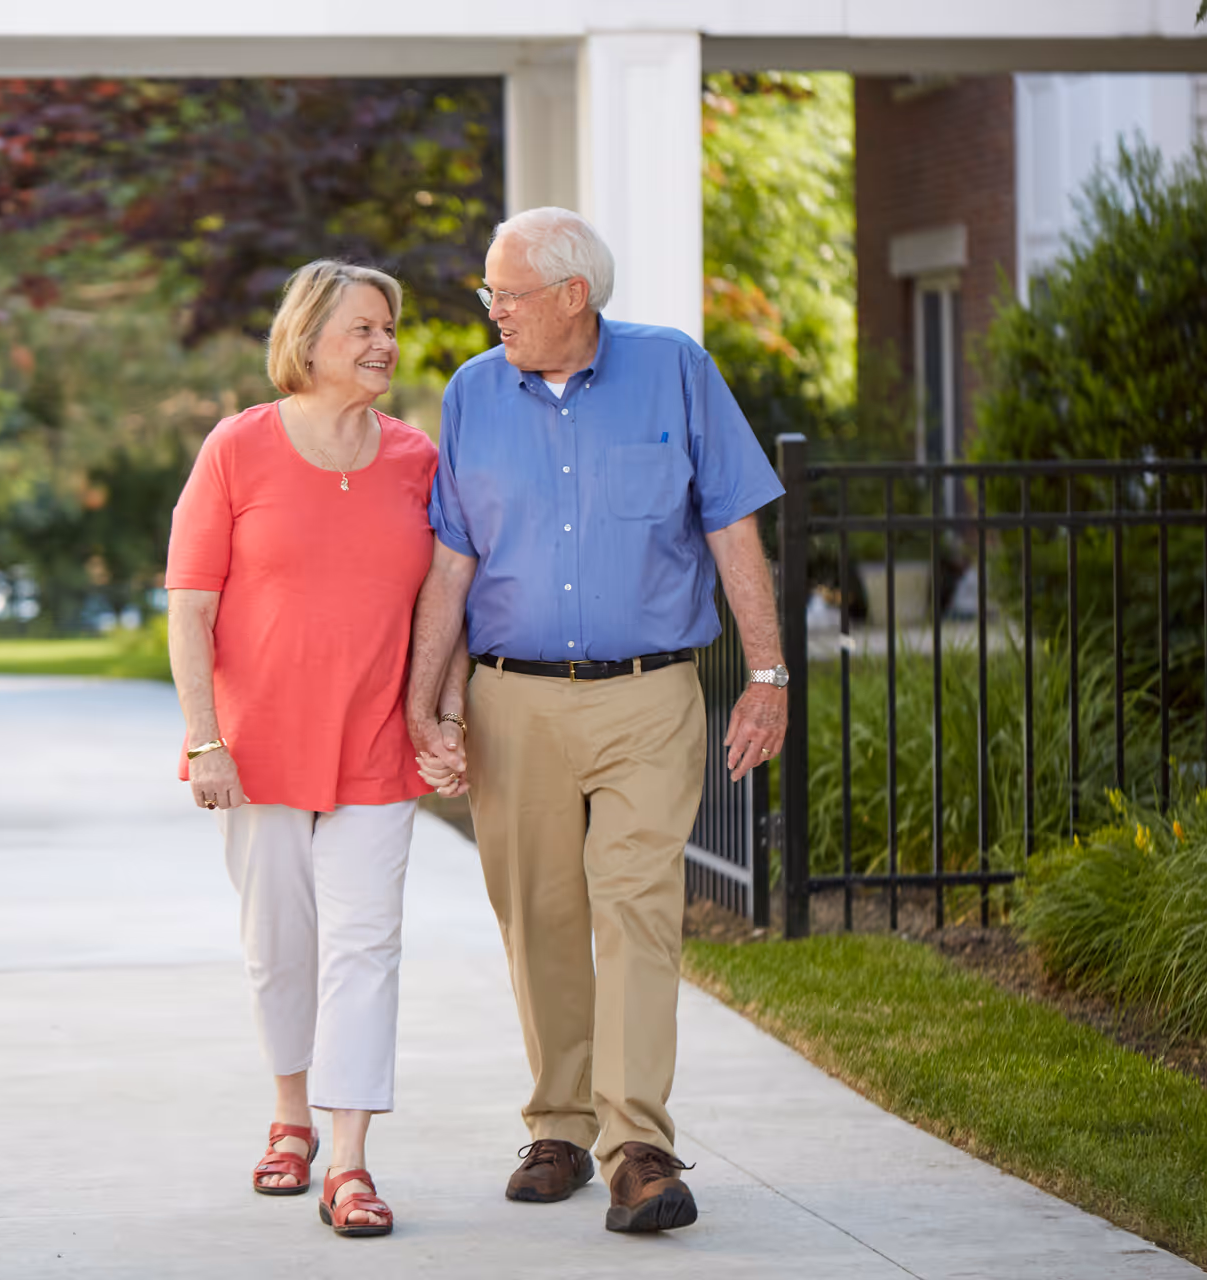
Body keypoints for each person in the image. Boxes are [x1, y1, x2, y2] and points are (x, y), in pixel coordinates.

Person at [407, 208, 789, 1234]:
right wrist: (424, 695)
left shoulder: (673, 371)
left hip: (647, 691)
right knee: (536, 916)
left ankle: (636, 1145)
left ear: (573, 294)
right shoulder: (472, 395)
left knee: (636, 909)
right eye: (489, 293)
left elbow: (733, 523)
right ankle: (560, 1126)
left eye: (508, 292)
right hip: (511, 695)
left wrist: (768, 671)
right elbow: (452, 560)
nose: (493, 311)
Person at [165, 259, 439, 1239]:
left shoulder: (417, 459)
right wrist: (205, 740)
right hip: (259, 745)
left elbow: (445, 602)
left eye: (389, 327)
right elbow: (191, 608)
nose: (383, 343)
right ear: (307, 338)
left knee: (365, 947)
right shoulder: (237, 448)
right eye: (362, 326)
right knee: (281, 945)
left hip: (374, 742)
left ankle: (351, 1160)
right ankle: (291, 1117)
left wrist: (439, 712)